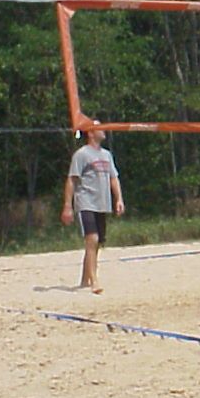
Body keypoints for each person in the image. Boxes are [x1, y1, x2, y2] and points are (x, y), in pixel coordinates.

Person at [60, 120, 124, 294]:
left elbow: (113, 178)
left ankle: (84, 280)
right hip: (86, 202)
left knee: (96, 244)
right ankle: (94, 281)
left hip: (102, 203)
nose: (103, 130)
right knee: (92, 239)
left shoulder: (106, 155)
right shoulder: (82, 155)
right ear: (90, 133)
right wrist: (67, 206)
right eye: (99, 127)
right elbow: (72, 180)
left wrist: (119, 199)